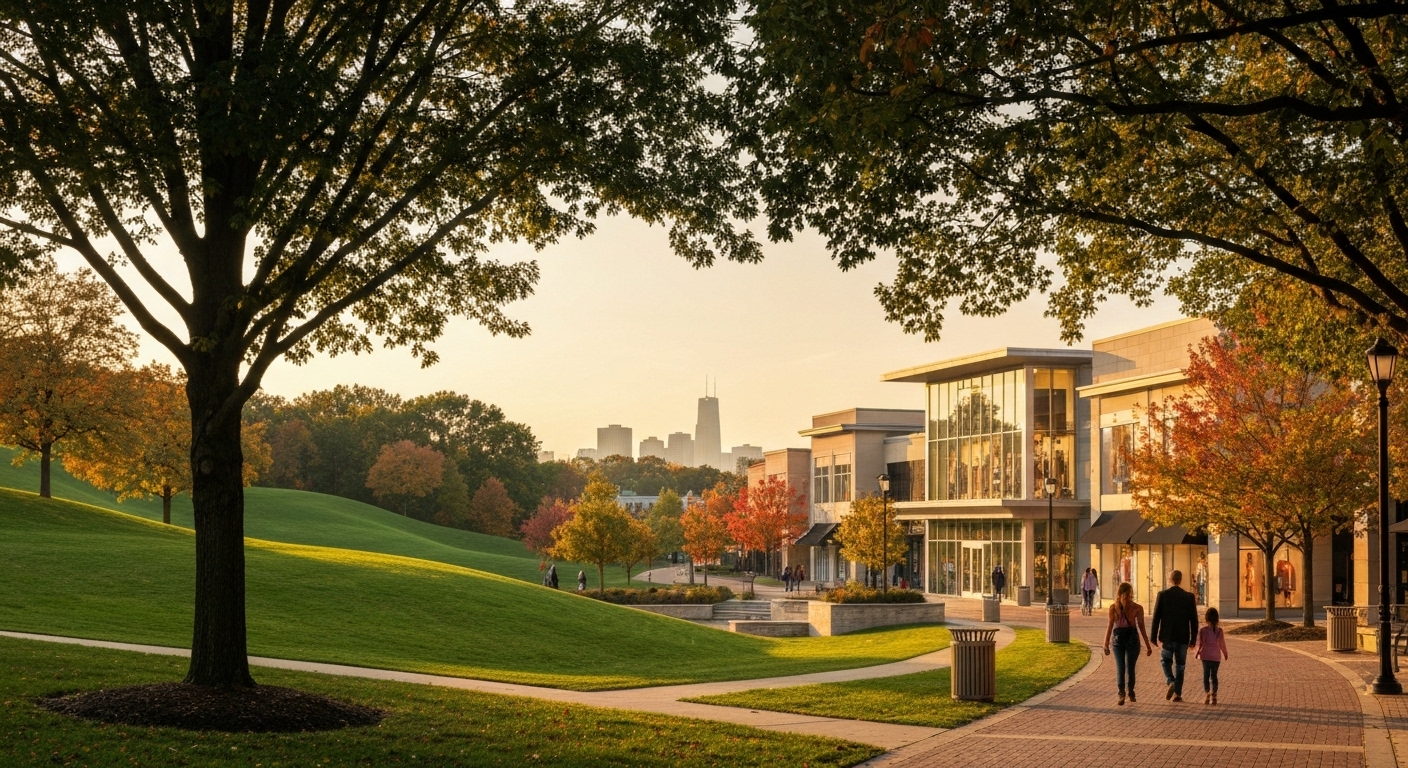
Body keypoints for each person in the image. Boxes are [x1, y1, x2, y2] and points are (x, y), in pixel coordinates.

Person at [1150, 569, 1199, 702]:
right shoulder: (1189, 597)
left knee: (1165, 661)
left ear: (1170, 579)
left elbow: (1156, 617)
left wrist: (1153, 636)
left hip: (1167, 636)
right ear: (1180, 580)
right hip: (1183, 637)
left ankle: (1170, 680)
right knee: (1180, 665)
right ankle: (1177, 693)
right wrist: (1193, 639)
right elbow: (1194, 620)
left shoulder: (1163, 595)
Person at [1103, 581, 1153, 706]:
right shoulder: (1134, 608)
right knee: (1127, 667)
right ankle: (1127, 692)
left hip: (1121, 639)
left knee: (1124, 667)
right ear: (1131, 593)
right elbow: (1141, 628)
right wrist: (1147, 645)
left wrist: (1106, 644)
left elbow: (1110, 627)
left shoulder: (1116, 607)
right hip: (1129, 639)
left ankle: (1125, 692)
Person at [1194, 607, 1229, 705]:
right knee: (1214, 675)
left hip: (1205, 655)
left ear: (1206, 618)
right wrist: (1225, 653)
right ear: (1217, 619)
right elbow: (1222, 644)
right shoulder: (1219, 631)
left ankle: (1207, 693)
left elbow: (1199, 643)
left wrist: (1196, 653)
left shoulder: (1203, 630)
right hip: (1216, 656)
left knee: (1206, 675)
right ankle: (1214, 694)